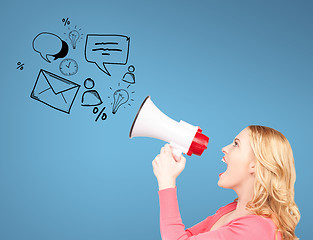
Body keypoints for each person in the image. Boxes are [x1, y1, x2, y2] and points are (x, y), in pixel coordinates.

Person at [152, 125, 300, 240]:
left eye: (236, 144)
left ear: (255, 164)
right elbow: (184, 236)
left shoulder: (257, 228)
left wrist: (166, 181)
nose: (224, 148)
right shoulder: (230, 210)